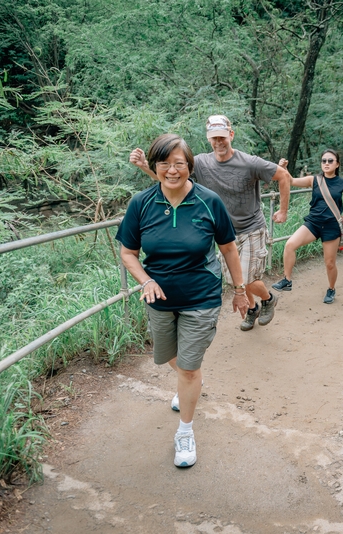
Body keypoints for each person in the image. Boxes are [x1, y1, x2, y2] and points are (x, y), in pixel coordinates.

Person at [117, 134, 250, 467]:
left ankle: (185, 432)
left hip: (201, 296)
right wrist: (145, 280)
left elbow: (229, 248)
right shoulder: (141, 203)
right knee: (168, 358)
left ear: (190, 166)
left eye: (179, 163)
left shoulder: (209, 201)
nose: (172, 170)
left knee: (188, 368)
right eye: (165, 163)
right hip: (159, 299)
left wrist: (240, 289)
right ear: (154, 166)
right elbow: (128, 253)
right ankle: (189, 381)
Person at [130, 115, 292, 332]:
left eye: (222, 137)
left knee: (245, 278)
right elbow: (171, 178)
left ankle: (268, 299)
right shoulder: (201, 163)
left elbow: (282, 175)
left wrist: (282, 210)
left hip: (251, 228)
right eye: (214, 138)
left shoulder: (249, 162)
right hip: (223, 233)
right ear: (208, 139)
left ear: (231, 135)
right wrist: (144, 166)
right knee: (233, 279)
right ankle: (252, 308)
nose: (219, 142)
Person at [271, 150, 343, 304]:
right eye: (324, 160)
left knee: (330, 263)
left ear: (337, 164)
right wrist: (283, 168)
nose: (326, 163)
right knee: (290, 245)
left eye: (330, 161)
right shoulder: (315, 180)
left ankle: (331, 289)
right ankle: (287, 280)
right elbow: (291, 181)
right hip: (313, 223)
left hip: (332, 226)